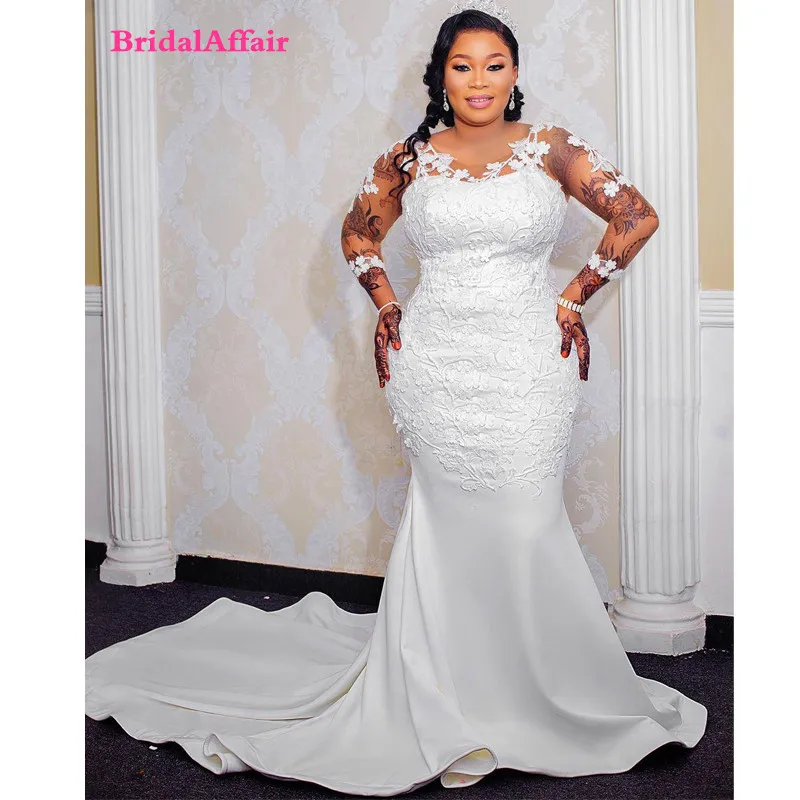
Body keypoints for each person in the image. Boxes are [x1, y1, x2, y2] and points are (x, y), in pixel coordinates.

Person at [85, 2, 708, 794]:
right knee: (448, 527)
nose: (478, 80)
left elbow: (636, 215)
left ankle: (531, 692)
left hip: (526, 359)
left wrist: (574, 295)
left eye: (493, 65)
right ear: (440, 76)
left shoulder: (551, 147)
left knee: (525, 521)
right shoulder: (410, 158)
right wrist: (386, 303)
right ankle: (444, 694)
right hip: (434, 364)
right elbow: (357, 233)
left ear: (515, 73)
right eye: (462, 65)